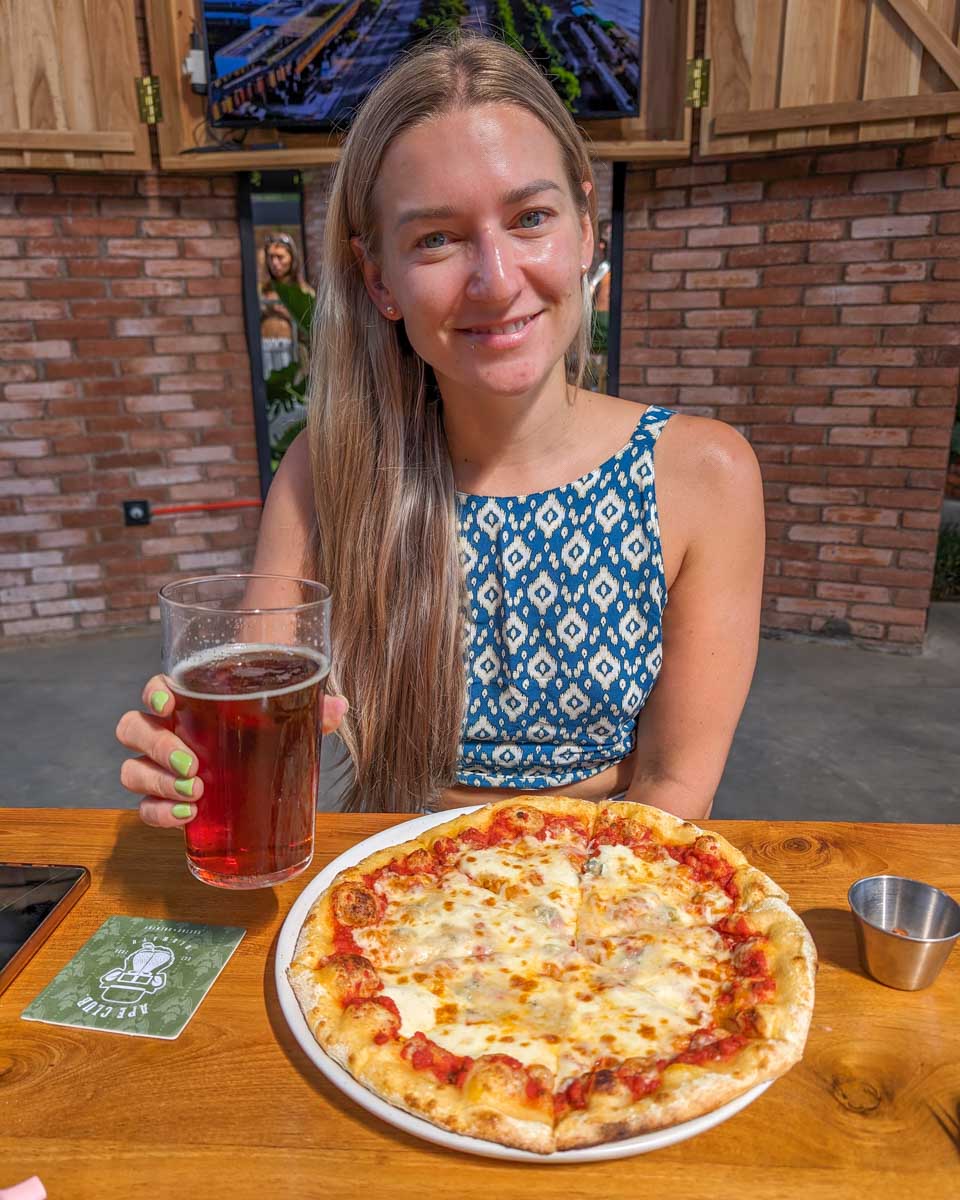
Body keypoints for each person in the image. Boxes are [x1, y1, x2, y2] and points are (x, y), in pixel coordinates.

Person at [116, 32, 765, 827]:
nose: (495, 281)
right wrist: (197, 768)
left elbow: (674, 789)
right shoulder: (328, 470)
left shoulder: (706, 473)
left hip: (608, 881)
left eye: (529, 216)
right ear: (378, 278)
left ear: (588, 227)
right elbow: (252, 728)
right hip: (386, 885)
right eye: (437, 238)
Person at [259, 232, 315, 378]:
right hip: (264, 351)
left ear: (292, 258)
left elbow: (313, 330)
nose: (275, 263)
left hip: (292, 352)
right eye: (271, 257)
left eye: (280, 257)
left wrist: (289, 314)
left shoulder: (303, 291)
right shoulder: (262, 290)